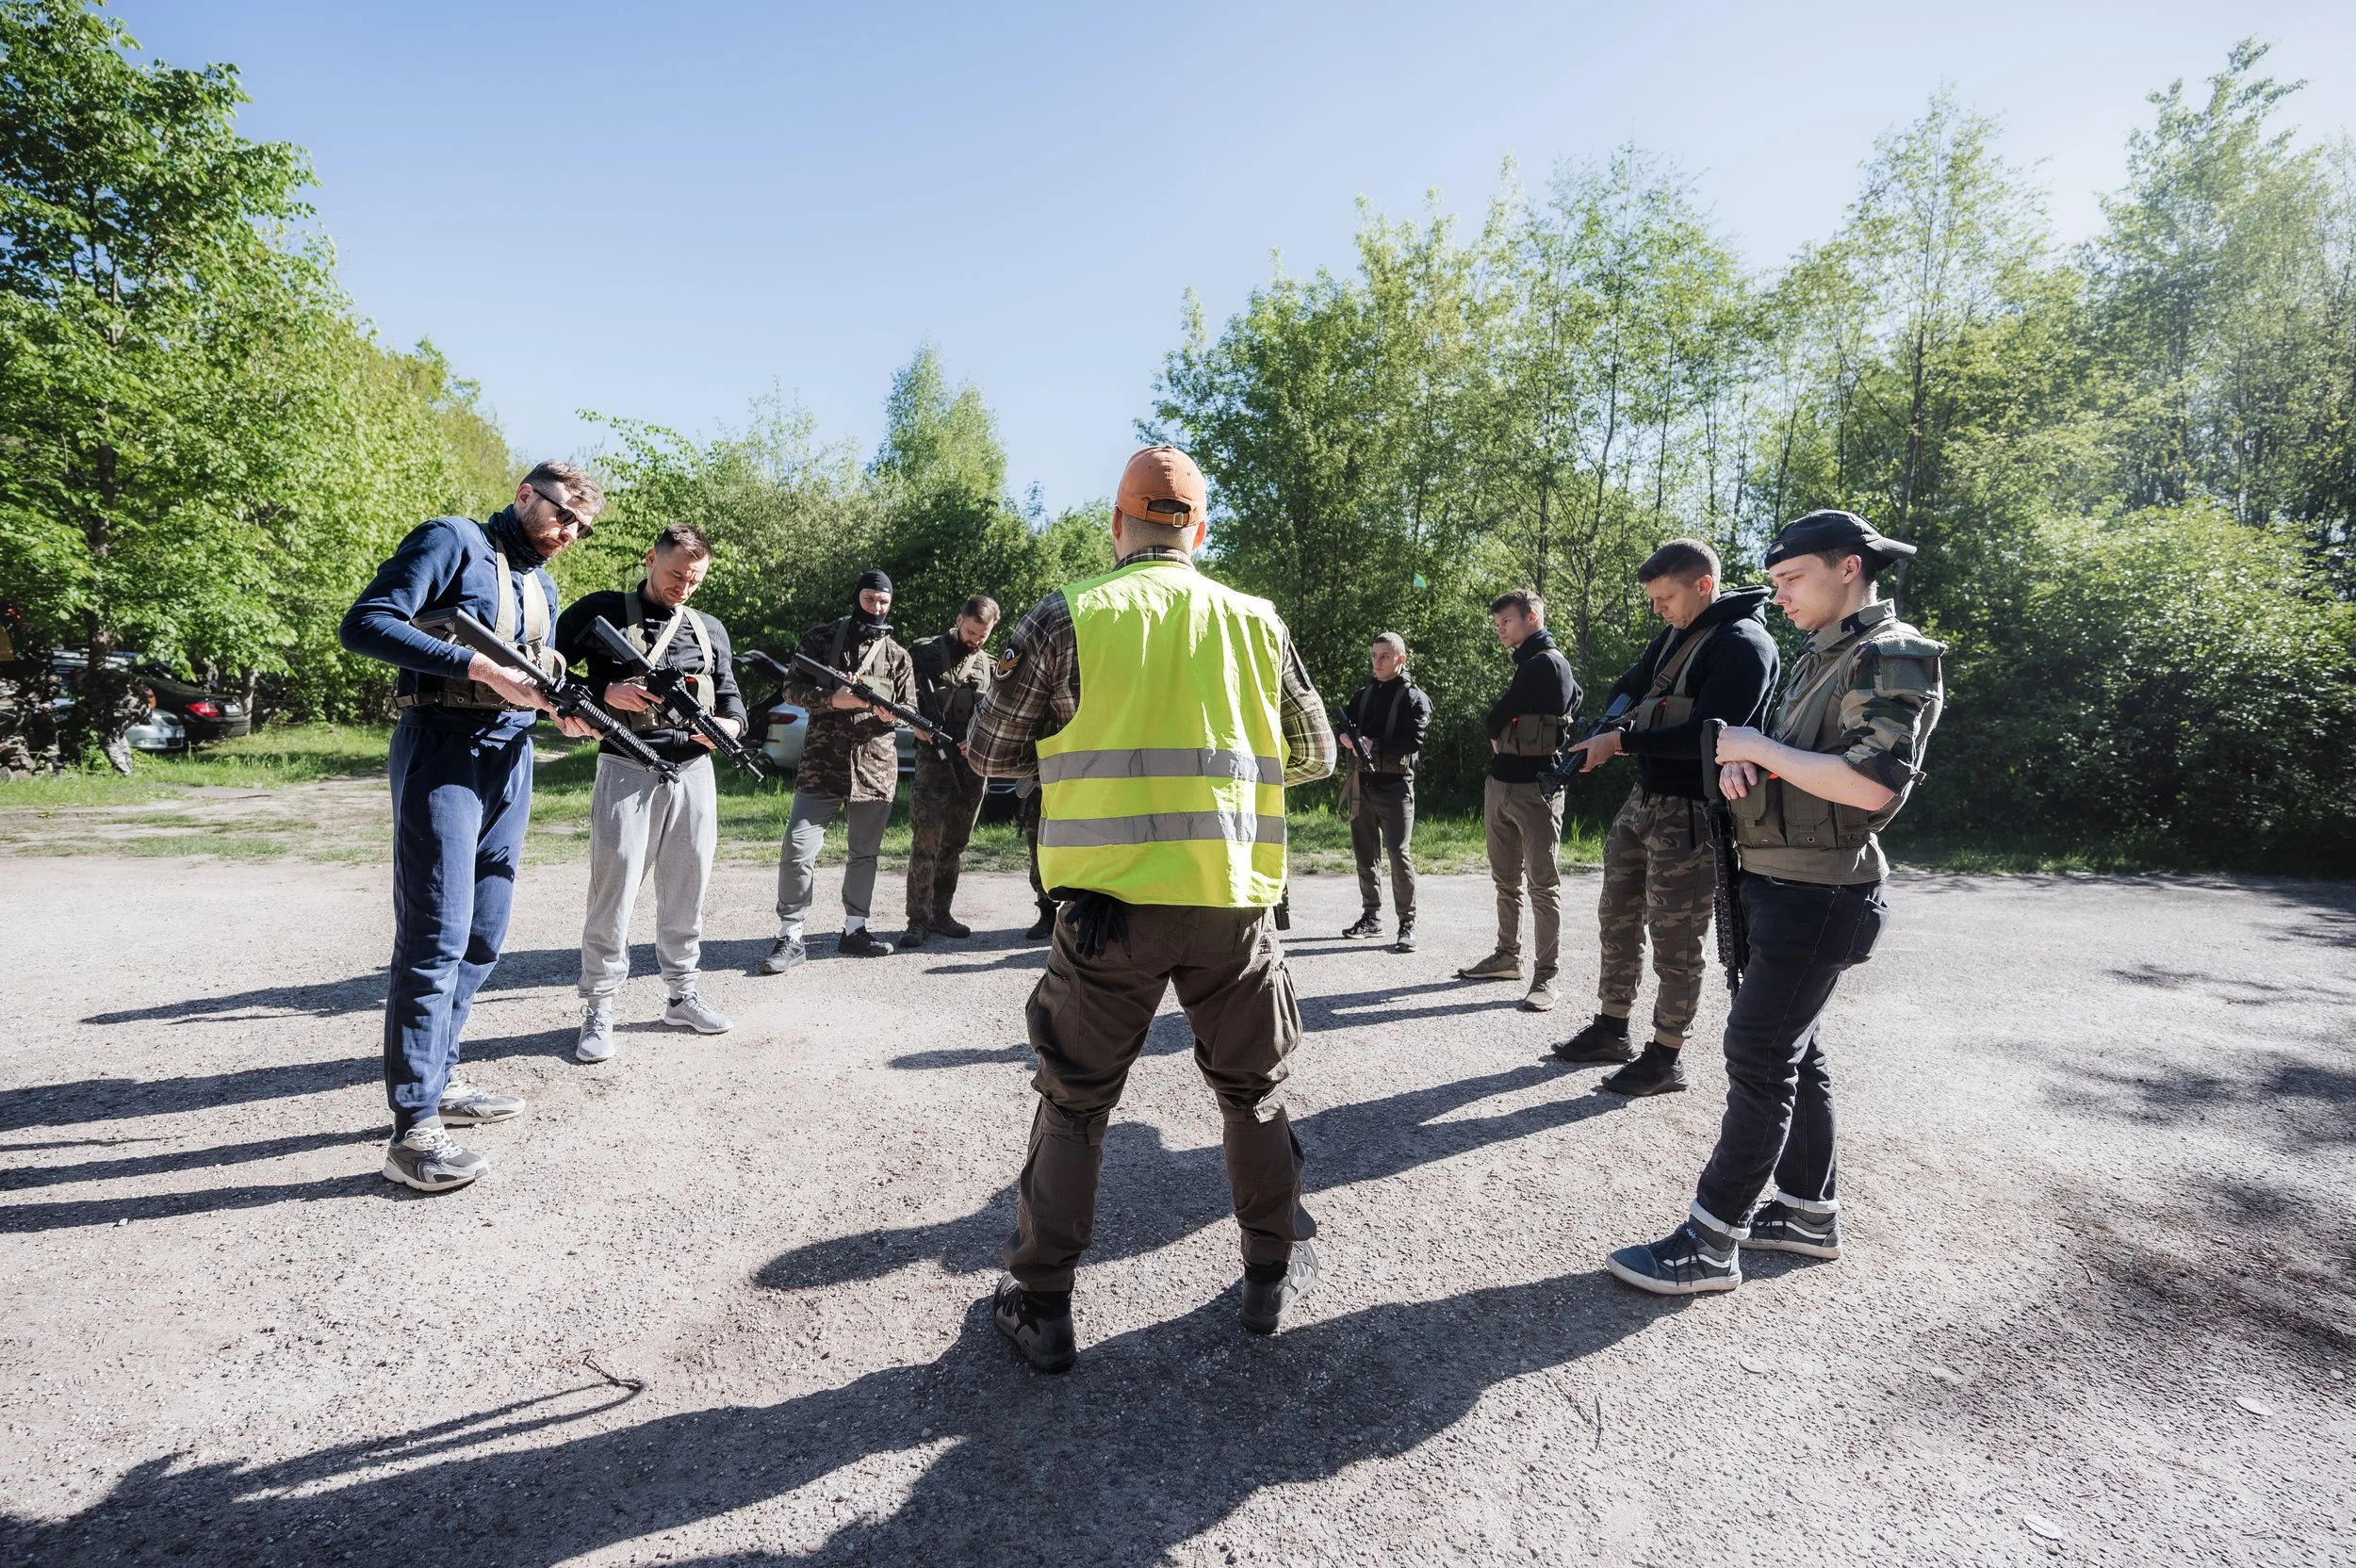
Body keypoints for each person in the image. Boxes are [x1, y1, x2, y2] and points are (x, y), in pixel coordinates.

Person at [968, 444, 1335, 1372]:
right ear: (1198, 531)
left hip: (1106, 909)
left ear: (1117, 525)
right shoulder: (1256, 620)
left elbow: (988, 749)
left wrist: (1069, 759)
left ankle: (1041, 1303)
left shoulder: (1072, 613)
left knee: (1076, 1102)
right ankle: (1266, 1280)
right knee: (1252, 1092)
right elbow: (1317, 750)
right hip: (1232, 902)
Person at [1605, 510, 1944, 1296]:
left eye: (1793, 580)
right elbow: (1807, 762)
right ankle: (1805, 1212)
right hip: (1780, 880)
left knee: (1759, 1060)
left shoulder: (1889, 652)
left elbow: (1870, 782)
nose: (1779, 596)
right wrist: (1753, 772)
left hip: (1820, 892)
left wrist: (1758, 750)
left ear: (1850, 566)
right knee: (1797, 1053)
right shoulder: (1822, 656)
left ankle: (1710, 1241)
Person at [338, 461, 603, 1192]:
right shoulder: (451, 541)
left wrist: (559, 707)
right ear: (525, 495)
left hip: (508, 754)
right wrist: (477, 667)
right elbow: (364, 623)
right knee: (436, 932)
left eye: (582, 527)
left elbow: (526, 672)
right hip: (442, 745)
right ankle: (412, 1129)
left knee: (484, 933)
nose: (571, 534)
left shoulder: (540, 582)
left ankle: (442, 1075)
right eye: (563, 516)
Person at [1552, 539, 1778, 1096]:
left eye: (1665, 597)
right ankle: (1611, 1028)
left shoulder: (1743, 644)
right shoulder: (1681, 632)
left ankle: (1665, 1055)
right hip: (1644, 802)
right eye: (1654, 600)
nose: (1658, 609)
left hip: (1695, 812)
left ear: (1704, 585)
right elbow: (1632, 682)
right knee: (1618, 918)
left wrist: (1621, 741)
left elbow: (1712, 737)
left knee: (1676, 937)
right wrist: (1603, 725)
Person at [553, 524, 746, 1062]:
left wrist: (725, 731)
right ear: (650, 560)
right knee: (613, 892)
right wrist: (604, 691)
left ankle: (681, 995)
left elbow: (734, 706)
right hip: (626, 765)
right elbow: (543, 674)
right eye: (675, 574)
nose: (684, 585)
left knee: (689, 886)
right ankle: (599, 1006)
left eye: (695, 578)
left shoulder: (708, 629)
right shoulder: (599, 612)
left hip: (694, 773)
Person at [761, 570, 917, 972]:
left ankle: (855, 930)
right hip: (822, 766)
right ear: (857, 597)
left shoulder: (898, 655)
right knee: (798, 847)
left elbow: (911, 710)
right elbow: (791, 688)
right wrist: (834, 699)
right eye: (870, 599)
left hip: (875, 767)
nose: (877, 607)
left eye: (883, 601)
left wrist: (892, 714)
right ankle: (791, 934)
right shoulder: (821, 639)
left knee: (864, 854)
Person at [1456, 589, 1580, 1012]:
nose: (1500, 629)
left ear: (1531, 617)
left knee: (1542, 887)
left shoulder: (1546, 661)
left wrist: (1499, 723)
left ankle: (1547, 978)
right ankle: (1507, 958)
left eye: (1506, 621)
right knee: (1506, 882)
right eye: (1497, 623)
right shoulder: (1532, 662)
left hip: (1535, 789)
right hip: (1503, 783)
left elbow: (1499, 713)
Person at [901, 596, 1001, 947]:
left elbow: (997, 711)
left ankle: (941, 914)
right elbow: (901, 694)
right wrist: (913, 725)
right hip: (932, 759)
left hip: (972, 763)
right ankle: (917, 920)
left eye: (983, 635)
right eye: (971, 631)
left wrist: (978, 741)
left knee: (956, 843)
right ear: (958, 619)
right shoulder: (925, 651)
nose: (975, 639)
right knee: (925, 840)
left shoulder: (990, 665)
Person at [1337, 632, 1432, 953]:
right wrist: (1346, 739)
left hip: (1396, 787)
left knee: (1398, 854)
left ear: (1400, 659)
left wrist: (1374, 744)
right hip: (1361, 784)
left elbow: (1413, 741)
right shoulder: (1362, 695)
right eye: (1374, 656)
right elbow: (1343, 728)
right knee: (1365, 855)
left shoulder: (1414, 698)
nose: (1377, 662)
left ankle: (1407, 923)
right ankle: (1371, 916)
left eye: (1384, 656)